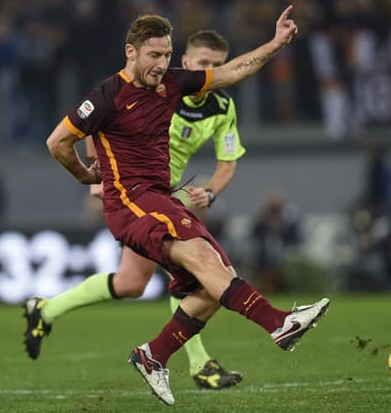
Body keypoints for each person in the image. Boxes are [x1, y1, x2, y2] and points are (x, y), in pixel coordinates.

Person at [36, 6, 329, 405]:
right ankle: (280, 324)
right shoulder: (107, 96)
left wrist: (276, 43)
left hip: (160, 198)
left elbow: (232, 73)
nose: (161, 64)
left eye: (166, 55)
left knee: (212, 286)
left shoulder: (174, 85)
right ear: (131, 52)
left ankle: (153, 355)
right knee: (188, 267)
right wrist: (86, 177)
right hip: (132, 203)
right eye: (153, 55)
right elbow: (57, 142)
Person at [24, 29, 247, 390]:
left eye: (217, 65)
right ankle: (199, 363)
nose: (211, 70)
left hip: (169, 199)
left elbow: (228, 161)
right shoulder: (159, 88)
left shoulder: (222, 107)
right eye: (204, 63)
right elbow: (105, 124)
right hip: (137, 196)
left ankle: (45, 310)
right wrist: (101, 178)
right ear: (186, 63)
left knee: (132, 283)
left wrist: (211, 192)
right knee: (186, 274)